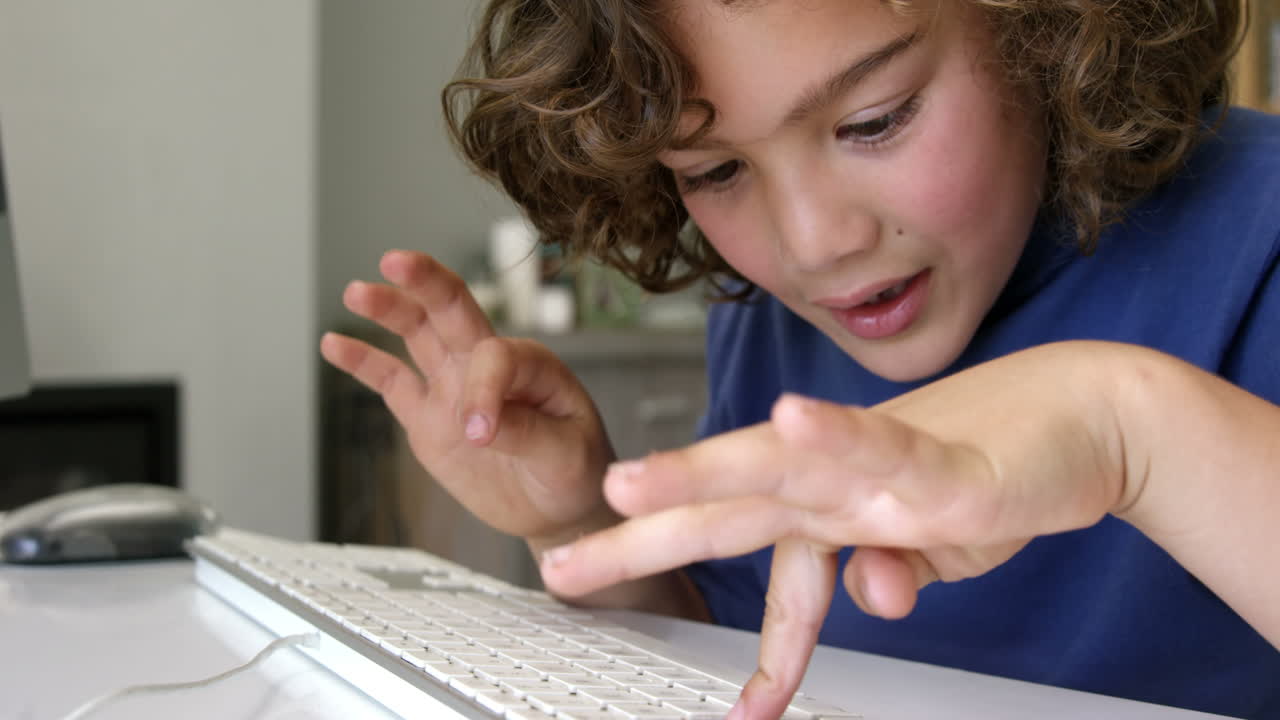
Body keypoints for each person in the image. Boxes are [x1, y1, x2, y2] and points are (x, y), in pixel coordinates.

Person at [320, 0, 1280, 718]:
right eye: (716, 172)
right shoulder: (771, 321)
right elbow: (745, 658)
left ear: (1047, 29)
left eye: (875, 120)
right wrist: (579, 518)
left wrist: (1130, 431)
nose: (813, 244)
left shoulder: (1259, 235)